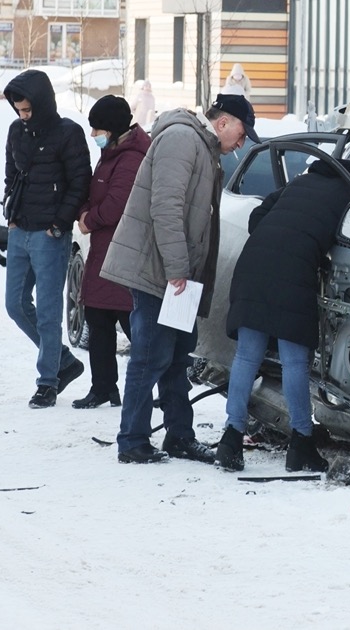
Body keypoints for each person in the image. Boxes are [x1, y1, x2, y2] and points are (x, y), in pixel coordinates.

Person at [100, 93, 259, 464]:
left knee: (175, 357)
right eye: (240, 133)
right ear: (222, 123)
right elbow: (166, 207)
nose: (240, 143)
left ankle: (179, 436)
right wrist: (177, 270)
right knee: (150, 356)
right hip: (160, 272)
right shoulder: (182, 140)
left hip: (177, 276)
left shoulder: (202, 148)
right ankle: (133, 440)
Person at [215, 159, 350, 473]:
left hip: (253, 264)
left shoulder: (299, 183)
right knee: (295, 360)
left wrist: (277, 238)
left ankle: (231, 438)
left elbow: (258, 214)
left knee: (247, 356)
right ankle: (301, 443)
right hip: (293, 271)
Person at [2, 69, 93, 409]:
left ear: (41, 103)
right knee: (15, 305)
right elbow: (11, 174)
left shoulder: (68, 133)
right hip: (20, 229)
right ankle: (65, 362)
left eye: (27, 110)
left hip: (49, 233)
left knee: (48, 312)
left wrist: (59, 222)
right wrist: (10, 213)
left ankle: (48, 382)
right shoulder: (16, 131)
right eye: (19, 111)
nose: (23, 116)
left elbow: (79, 181)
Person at [71, 95, 152, 409]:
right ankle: (104, 387)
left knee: (131, 322)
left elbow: (119, 202)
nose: (94, 136)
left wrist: (90, 220)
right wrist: (85, 209)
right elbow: (97, 190)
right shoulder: (113, 153)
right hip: (106, 251)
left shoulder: (131, 157)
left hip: (124, 253)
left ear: (114, 129)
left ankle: (160, 386)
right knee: (98, 317)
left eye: (98, 129)